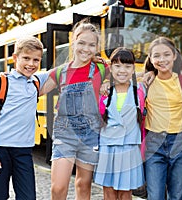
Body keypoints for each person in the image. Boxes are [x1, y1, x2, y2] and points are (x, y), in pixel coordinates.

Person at [39, 19, 109, 200]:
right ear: (73, 42)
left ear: (97, 47)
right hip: (65, 134)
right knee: (58, 187)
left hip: (91, 133)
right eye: (82, 43)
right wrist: (10, 78)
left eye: (92, 45)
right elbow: (35, 90)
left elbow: (127, 72)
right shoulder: (60, 71)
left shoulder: (102, 68)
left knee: (83, 185)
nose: (86, 48)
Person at [0, 36, 49, 200]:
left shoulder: (36, 83)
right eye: (26, 58)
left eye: (36, 60)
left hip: (24, 151)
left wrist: (91, 59)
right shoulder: (3, 82)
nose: (31, 64)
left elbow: (62, 71)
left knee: (28, 197)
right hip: (0, 150)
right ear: (15, 58)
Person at [144, 36, 182, 200]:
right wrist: (146, 73)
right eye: (157, 56)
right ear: (151, 59)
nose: (162, 59)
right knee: (155, 196)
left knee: (178, 195)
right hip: (154, 143)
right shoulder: (146, 83)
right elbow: (118, 74)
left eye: (167, 54)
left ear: (175, 56)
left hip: (180, 143)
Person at [94, 47, 145, 199]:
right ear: (111, 67)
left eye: (128, 66)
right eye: (117, 65)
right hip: (107, 146)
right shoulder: (103, 91)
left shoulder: (140, 90)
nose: (122, 70)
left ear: (134, 69)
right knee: (108, 192)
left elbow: (155, 70)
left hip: (130, 146)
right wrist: (93, 59)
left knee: (125, 192)